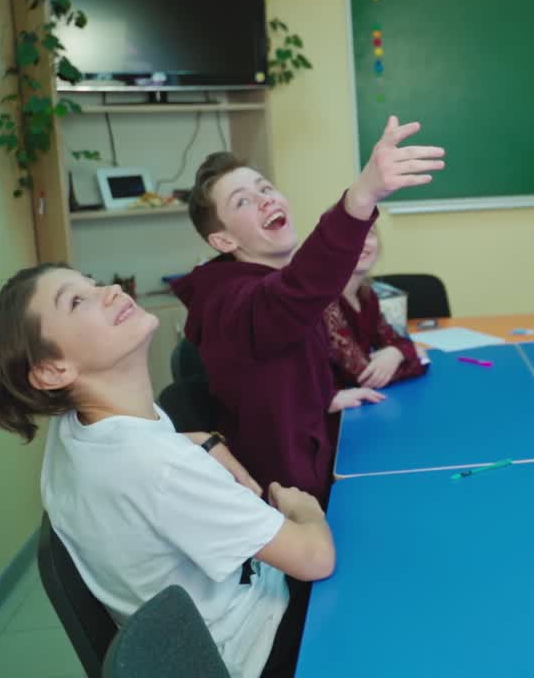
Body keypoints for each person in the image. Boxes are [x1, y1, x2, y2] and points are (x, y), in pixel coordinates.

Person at [0, 264, 338, 678]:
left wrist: (203, 441)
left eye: (92, 284)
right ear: (53, 371)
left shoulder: (75, 429)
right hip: (259, 648)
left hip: (211, 635)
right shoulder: (158, 467)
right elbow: (314, 559)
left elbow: (146, 458)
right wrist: (303, 509)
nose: (109, 290)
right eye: (76, 301)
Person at [171, 116, 444, 503]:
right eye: (243, 201)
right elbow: (288, 295)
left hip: (317, 468)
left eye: (265, 188)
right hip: (290, 502)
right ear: (223, 239)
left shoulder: (273, 284)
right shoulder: (228, 300)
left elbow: (280, 368)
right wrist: (361, 195)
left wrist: (323, 398)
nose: (265, 198)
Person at [325, 226, 427, 389]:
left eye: (369, 234)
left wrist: (396, 352)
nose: (361, 242)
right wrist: (409, 354)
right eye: (349, 235)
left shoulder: (366, 295)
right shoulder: (325, 300)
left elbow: (398, 341)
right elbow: (362, 376)